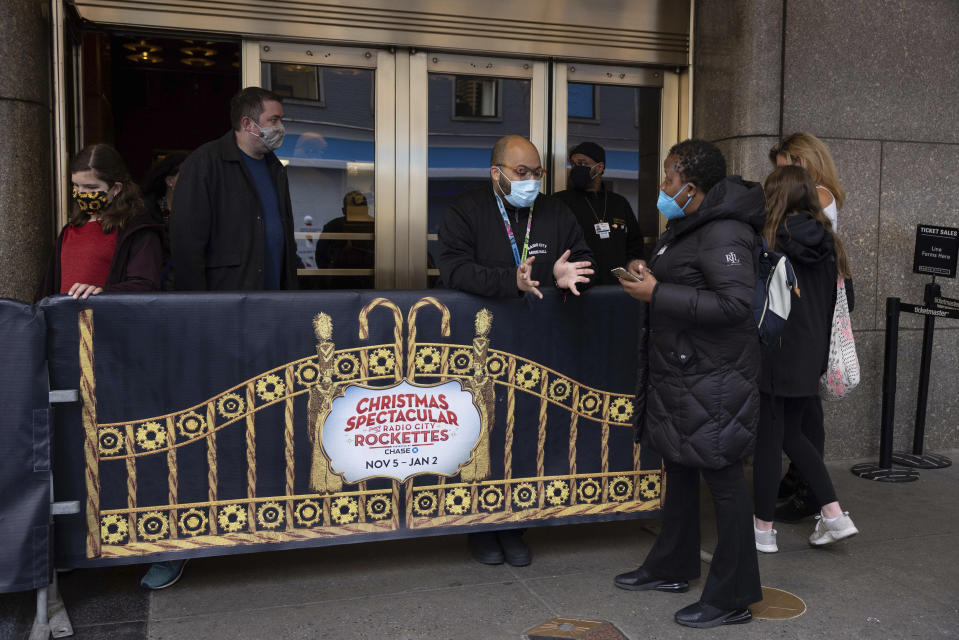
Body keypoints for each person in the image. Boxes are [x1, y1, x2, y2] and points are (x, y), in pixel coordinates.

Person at [614, 139, 763, 629]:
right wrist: (647, 272)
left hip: (713, 380)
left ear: (692, 187)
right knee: (678, 467)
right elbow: (687, 281)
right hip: (683, 373)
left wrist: (659, 293)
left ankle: (732, 595)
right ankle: (672, 567)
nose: (662, 186)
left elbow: (737, 306)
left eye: (669, 178)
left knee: (723, 481)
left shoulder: (725, 231)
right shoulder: (688, 225)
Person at [437, 134, 594, 566]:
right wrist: (513, 281)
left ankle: (516, 525)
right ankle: (482, 529)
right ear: (497, 173)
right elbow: (453, 268)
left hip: (537, 345)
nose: (531, 181)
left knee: (526, 434)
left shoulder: (555, 212)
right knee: (480, 434)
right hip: (478, 344)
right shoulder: (467, 210)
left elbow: (582, 259)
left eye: (537, 173)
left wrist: (569, 275)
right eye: (521, 173)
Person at [752, 165, 859, 553]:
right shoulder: (831, 243)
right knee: (790, 435)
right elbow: (847, 300)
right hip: (813, 354)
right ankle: (832, 515)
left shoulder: (768, 241)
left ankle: (764, 530)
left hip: (777, 354)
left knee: (772, 440)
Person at [767, 132, 847, 521]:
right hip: (813, 308)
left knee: (799, 419)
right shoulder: (823, 202)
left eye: (785, 169)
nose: (780, 180)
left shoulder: (815, 200)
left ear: (803, 162)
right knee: (802, 413)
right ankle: (808, 488)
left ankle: (812, 492)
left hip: (803, 309)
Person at [170, 86, 298, 291]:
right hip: (228, 299)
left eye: (281, 120)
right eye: (273, 120)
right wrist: (195, 304)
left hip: (275, 298)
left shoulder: (275, 168)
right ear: (248, 123)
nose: (280, 127)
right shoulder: (205, 163)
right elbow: (187, 242)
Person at [38, 144, 162, 300]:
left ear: (116, 189)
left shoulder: (138, 231)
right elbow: (49, 287)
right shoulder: (70, 229)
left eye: (91, 187)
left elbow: (145, 285)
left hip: (106, 321)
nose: (81, 193)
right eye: (76, 185)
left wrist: (101, 293)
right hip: (65, 321)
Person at [553, 141, 645, 284]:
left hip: (616, 288)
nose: (577, 168)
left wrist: (632, 268)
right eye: (574, 164)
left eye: (583, 163)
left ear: (600, 167)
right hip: (577, 287)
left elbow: (635, 245)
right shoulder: (560, 202)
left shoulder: (619, 203)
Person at [140, 150, 189, 290]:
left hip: (187, 285)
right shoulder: (147, 211)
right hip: (156, 284)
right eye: (187, 174)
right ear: (170, 181)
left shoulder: (201, 209)